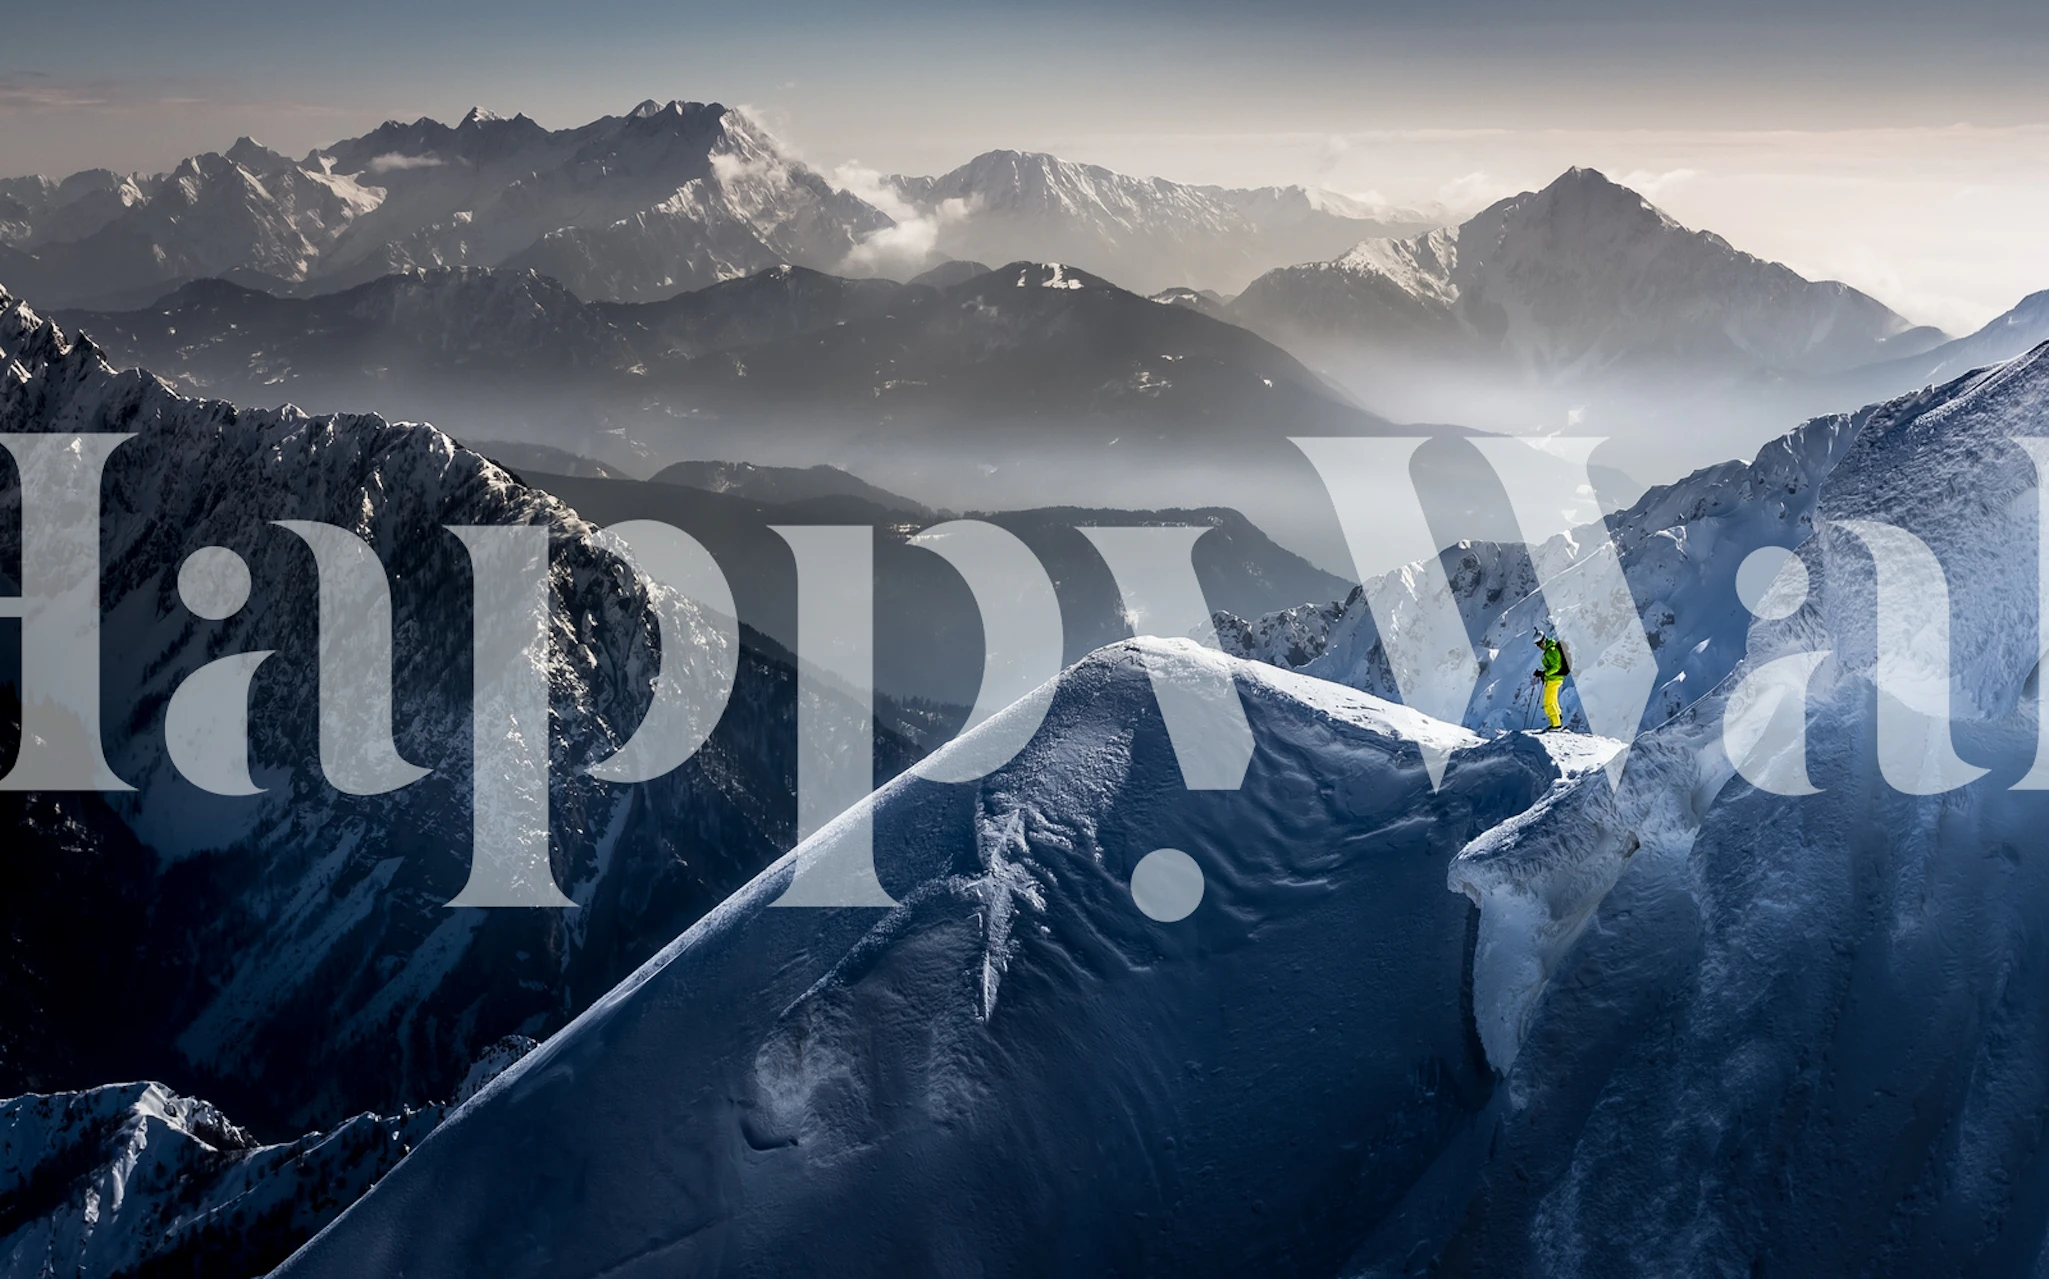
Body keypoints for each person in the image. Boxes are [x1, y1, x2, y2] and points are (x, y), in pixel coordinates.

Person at [1531, 630, 1566, 731]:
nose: (1538, 646)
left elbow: (1556, 667)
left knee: (1548, 703)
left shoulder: (1551, 651)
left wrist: (1544, 673)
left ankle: (1556, 725)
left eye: (1539, 644)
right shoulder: (1551, 649)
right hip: (1554, 679)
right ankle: (1556, 720)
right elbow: (1553, 666)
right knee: (1553, 701)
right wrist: (1542, 673)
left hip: (1553, 680)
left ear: (1543, 641)